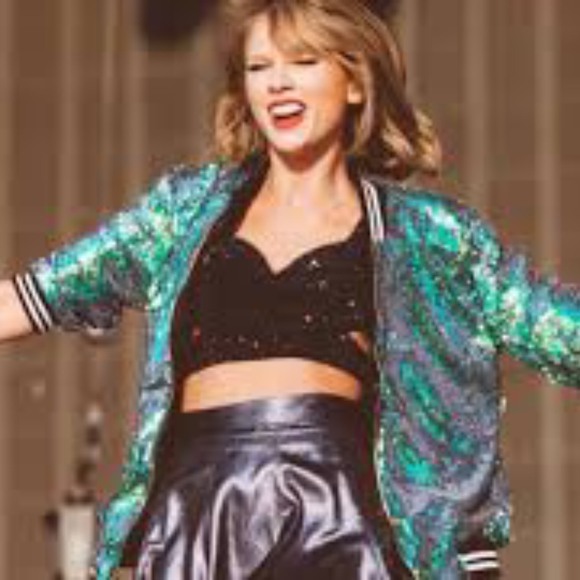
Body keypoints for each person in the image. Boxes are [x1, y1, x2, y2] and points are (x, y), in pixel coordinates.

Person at [1, 0, 579, 578]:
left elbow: (553, 326)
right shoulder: (183, 211)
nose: (277, 82)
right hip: (197, 515)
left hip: (335, 517)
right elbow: (33, 295)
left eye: (303, 61)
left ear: (355, 82)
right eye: (259, 67)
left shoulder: (428, 234)